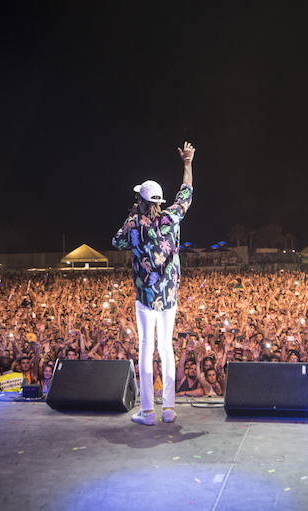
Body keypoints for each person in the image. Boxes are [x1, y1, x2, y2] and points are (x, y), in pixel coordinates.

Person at [113, 141, 195, 425]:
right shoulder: (172, 218)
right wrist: (187, 163)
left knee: (146, 349)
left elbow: (117, 241)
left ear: (141, 201)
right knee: (167, 348)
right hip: (169, 296)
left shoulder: (134, 223)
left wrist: (133, 216)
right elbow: (186, 193)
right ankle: (169, 409)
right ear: (159, 201)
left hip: (145, 296)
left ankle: (147, 411)